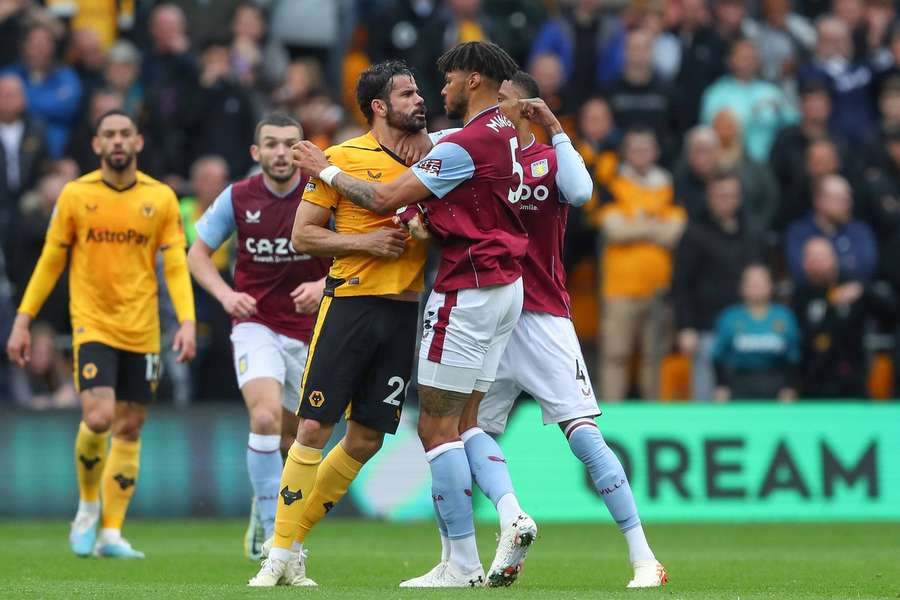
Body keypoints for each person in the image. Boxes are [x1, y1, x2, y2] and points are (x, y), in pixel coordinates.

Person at [290, 41, 527, 588]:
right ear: (378, 106)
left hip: (463, 290)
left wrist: (324, 170)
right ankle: (502, 518)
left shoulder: (460, 144)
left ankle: (464, 562)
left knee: (436, 427)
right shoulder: (510, 134)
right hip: (505, 288)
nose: (433, 94)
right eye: (414, 90)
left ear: (472, 81)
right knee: (467, 423)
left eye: (441, 83)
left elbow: (381, 199)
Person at [470, 71, 666, 589]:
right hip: (490, 314)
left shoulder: (551, 159)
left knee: (583, 437)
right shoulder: (479, 156)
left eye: (508, 103)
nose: (499, 111)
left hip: (541, 316)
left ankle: (644, 557)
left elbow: (581, 193)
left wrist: (557, 129)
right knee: (470, 430)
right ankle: (511, 522)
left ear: (532, 107)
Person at [247, 61, 429, 587]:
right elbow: (304, 236)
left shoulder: (435, 159)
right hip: (349, 303)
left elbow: (440, 235)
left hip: (402, 310)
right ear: (380, 106)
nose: (419, 100)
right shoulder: (343, 157)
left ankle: (291, 541)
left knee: (367, 438)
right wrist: (363, 242)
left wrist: (423, 232)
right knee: (311, 427)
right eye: (408, 93)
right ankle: (278, 553)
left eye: (419, 92)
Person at [5, 109, 196, 558]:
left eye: (124, 134)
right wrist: (23, 319)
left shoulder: (161, 198)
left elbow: (174, 266)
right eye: (108, 134)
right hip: (93, 321)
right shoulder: (75, 195)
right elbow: (51, 259)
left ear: (138, 142)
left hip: (143, 328)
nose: (116, 141)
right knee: (98, 417)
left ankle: (111, 532)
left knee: (130, 427)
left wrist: (186, 320)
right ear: (96, 145)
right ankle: (88, 506)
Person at [187, 114, 329, 561]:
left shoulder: (323, 195)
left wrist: (324, 285)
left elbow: (357, 254)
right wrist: (226, 295)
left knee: (295, 439)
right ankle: (274, 534)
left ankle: (264, 507)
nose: (281, 153)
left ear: (302, 150)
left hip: (312, 330)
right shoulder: (238, 197)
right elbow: (198, 254)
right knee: (265, 420)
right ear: (257, 152)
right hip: (256, 325)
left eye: (290, 144)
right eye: (271, 144)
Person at [598, 127, 686, 401]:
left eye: (646, 148)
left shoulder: (668, 185)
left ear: (656, 152)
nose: (641, 154)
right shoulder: (612, 183)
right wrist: (654, 224)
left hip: (659, 287)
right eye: (635, 149)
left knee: (654, 357)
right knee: (616, 355)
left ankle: (653, 417)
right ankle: (609, 414)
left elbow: (676, 230)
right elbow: (613, 229)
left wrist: (636, 224)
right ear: (626, 152)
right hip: (619, 288)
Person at [673, 171, 762, 401]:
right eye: (719, 195)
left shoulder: (750, 232)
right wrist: (686, 327)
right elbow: (681, 283)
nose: (725, 201)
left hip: (747, 329)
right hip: (706, 329)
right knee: (705, 395)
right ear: (709, 197)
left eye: (730, 195)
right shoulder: (694, 233)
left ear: (739, 198)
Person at [711, 264, 801, 401]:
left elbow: (794, 357)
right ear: (742, 287)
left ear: (770, 286)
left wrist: (790, 387)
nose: (756, 288)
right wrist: (721, 386)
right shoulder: (730, 316)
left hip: (775, 383)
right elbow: (717, 356)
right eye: (752, 284)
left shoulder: (784, 316)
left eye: (761, 283)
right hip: (739, 383)